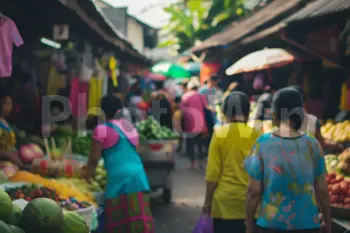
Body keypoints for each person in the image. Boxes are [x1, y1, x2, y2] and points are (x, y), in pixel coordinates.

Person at [244, 87, 331, 233]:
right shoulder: (313, 144)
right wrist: (327, 222)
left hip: (271, 224)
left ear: (274, 113)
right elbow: (322, 190)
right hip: (307, 225)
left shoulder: (262, 143)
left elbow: (254, 190)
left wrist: (249, 223)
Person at [83, 95, 154, 233]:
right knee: (138, 222)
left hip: (118, 179)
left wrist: (86, 177)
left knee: (117, 223)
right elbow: (136, 152)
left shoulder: (101, 129)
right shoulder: (129, 126)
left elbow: (94, 159)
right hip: (138, 177)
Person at [203, 92, 260, 233]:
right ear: (247, 112)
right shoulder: (257, 135)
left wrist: (207, 201)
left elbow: (213, 173)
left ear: (224, 112)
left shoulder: (219, 134)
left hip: (224, 204)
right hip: (252, 204)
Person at [180, 79, 209, 169]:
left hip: (190, 125)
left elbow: (182, 110)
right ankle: (201, 161)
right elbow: (206, 107)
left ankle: (193, 162)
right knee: (200, 144)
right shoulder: (201, 96)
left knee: (190, 144)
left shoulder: (185, 96)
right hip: (201, 124)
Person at [0, 92, 23, 168]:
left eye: (10, 104)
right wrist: (11, 157)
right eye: (4, 104)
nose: (8, 107)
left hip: (12, 161)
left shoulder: (5, 121)